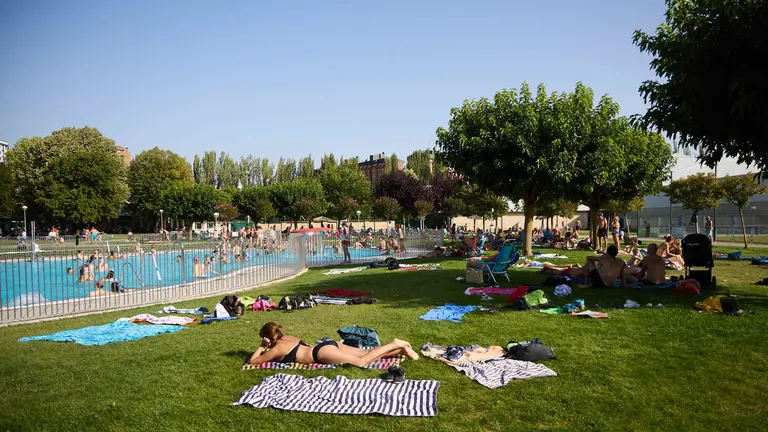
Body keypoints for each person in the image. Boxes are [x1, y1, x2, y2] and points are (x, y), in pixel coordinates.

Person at [247, 322, 420, 366]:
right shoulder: (289, 338)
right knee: (365, 354)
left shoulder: (276, 348)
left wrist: (262, 346)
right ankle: (401, 350)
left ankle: (394, 343)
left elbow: (253, 362)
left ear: (268, 338)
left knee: (361, 362)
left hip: (320, 354)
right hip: (330, 345)